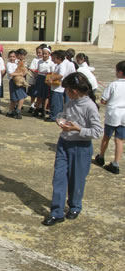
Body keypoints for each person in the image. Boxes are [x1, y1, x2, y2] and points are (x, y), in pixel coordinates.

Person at [42, 72, 102, 226]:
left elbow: (97, 131)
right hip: (64, 143)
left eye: (67, 90)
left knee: (77, 180)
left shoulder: (90, 106)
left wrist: (78, 129)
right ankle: (57, 212)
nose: (66, 92)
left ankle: (75, 206)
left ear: (74, 91)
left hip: (81, 147)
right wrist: (61, 121)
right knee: (59, 178)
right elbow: (66, 116)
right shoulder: (70, 102)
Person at [93, 61, 125, 174]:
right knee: (119, 140)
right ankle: (116, 164)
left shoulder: (113, 84)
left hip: (113, 114)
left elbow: (103, 100)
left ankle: (101, 157)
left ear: (120, 72)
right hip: (124, 115)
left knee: (107, 136)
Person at [46, 50, 76, 122]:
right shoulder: (59, 65)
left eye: (53, 58)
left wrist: (51, 78)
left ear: (58, 58)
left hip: (58, 88)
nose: (52, 60)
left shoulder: (62, 65)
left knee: (56, 103)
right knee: (55, 102)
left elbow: (61, 75)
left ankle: (55, 117)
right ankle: (54, 115)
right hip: (56, 87)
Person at [33, 46, 54, 119]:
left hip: (46, 78)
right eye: (43, 53)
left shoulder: (51, 63)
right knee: (39, 95)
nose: (44, 55)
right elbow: (38, 70)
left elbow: (52, 72)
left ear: (49, 54)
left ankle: (43, 110)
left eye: (46, 54)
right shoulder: (39, 61)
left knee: (45, 96)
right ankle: (37, 108)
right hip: (40, 78)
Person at [6, 50, 27, 119]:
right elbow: (11, 73)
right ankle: (14, 111)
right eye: (10, 57)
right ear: (8, 57)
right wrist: (20, 73)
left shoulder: (18, 63)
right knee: (16, 98)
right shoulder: (9, 64)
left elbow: (24, 70)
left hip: (19, 81)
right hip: (13, 81)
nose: (12, 58)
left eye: (13, 56)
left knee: (20, 97)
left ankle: (14, 111)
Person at [27, 45, 43, 113]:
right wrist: (35, 73)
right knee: (32, 93)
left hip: (41, 79)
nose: (39, 54)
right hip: (34, 78)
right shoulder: (35, 59)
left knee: (40, 94)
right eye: (37, 52)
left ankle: (39, 106)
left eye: (40, 52)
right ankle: (32, 105)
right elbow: (32, 68)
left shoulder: (44, 60)